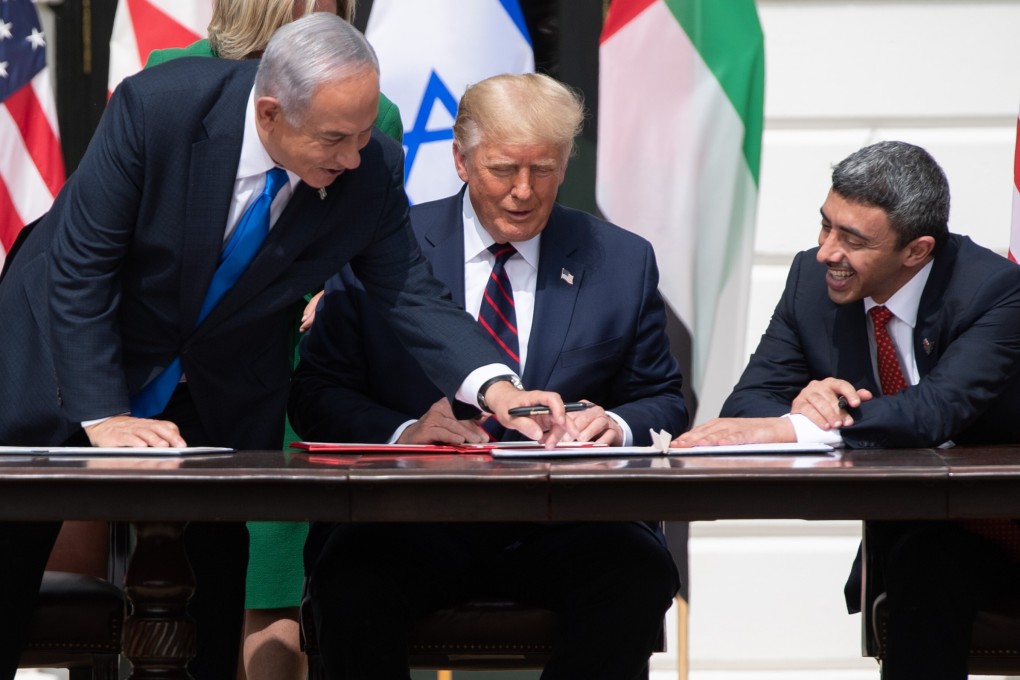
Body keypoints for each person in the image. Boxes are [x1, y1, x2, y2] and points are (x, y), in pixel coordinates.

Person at [0, 14, 574, 680]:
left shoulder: (370, 167)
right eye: (335, 138)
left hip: (218, 384)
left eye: (364, 134)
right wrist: (103, 414)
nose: (355, 157)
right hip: (67, 355)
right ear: (270, 113)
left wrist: (500, 389)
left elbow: (409, 294)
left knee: (213, 578)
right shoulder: (159, 107)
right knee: (10, 557)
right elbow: (82, 268)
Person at [292, 72, 686, 680]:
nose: (523, 193)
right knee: (350, 576)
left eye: (544, 170)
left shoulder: (621, 260)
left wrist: (615, 423)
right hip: (413, 519)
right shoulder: (381, 247)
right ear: (461, 159)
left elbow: (662, 399)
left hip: (564, 523)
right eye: (503, 169)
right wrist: (403, 432)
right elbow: (315, 395)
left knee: (639, 573)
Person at [674, 141, 1020, 679]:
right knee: (921, 565)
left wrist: (810, 423)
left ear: (917, 250)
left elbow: (935, 413)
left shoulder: (996, 291)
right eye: (825, 225)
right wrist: (801, 403)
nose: (826, 251)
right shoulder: (811, 283)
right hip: (938, 533)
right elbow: (748, 405)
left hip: (1009, 519)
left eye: (852, 240)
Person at [149, 3, 402, 678]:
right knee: (174, 584)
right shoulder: (166, 86)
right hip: (159, 383)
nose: (329, 24)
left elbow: (384, 263)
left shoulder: (369, 122)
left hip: (279, 374)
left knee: (265, 587)